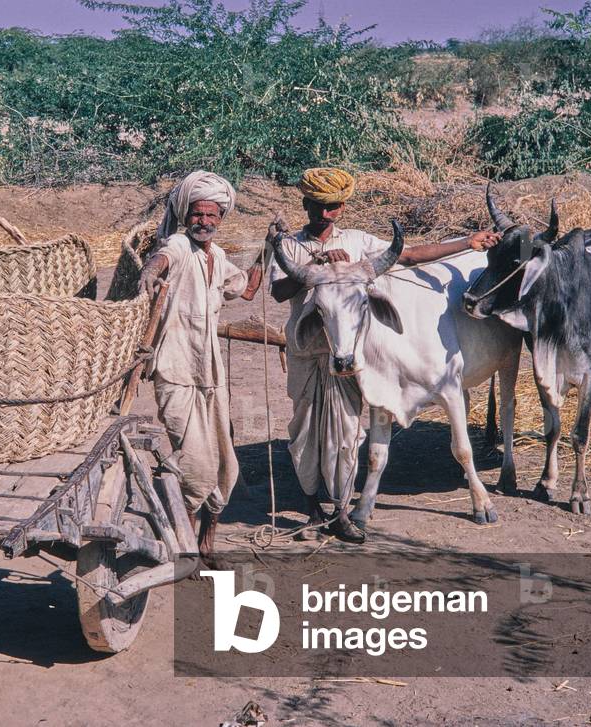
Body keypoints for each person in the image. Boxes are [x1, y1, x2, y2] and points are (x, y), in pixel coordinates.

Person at [267, 167, 499, 543]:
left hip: (352, 358)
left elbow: (409, 255)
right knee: (305, 432)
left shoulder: (358, 241)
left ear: (343, 207)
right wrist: (317, 264)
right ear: (306, 204)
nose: (328, 214)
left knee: (345, 434)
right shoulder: (291, 247)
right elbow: (279, 293)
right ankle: (311, 506)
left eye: (335, 206)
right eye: (320, 206)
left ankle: (342, 510)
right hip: (309, 352)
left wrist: (466, 242)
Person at [138, 170, 261, 565]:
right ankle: (185, 548)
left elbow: (244, 290)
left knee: (225, 460)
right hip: (175, 371)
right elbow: (160, 260)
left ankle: (207, 541)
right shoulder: (176, 244)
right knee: (193, 460)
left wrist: (268, 252)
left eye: (212, 216)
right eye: (198, 214)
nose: (204, 222)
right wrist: (148, 274)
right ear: (185, 212)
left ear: (221, 219)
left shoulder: (218, 256)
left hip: (211, 375)